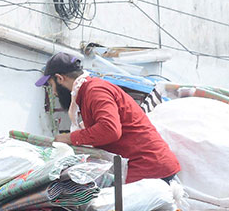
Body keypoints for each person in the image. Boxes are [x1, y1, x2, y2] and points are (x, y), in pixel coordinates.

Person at [38, 52, 180, 184]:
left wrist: (70, 138)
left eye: (52, 86)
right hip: (143, 167)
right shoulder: (88, 92)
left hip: (149, 169)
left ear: (60, 78)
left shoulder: (95, 91)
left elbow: (110, 130)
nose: (54, 93)